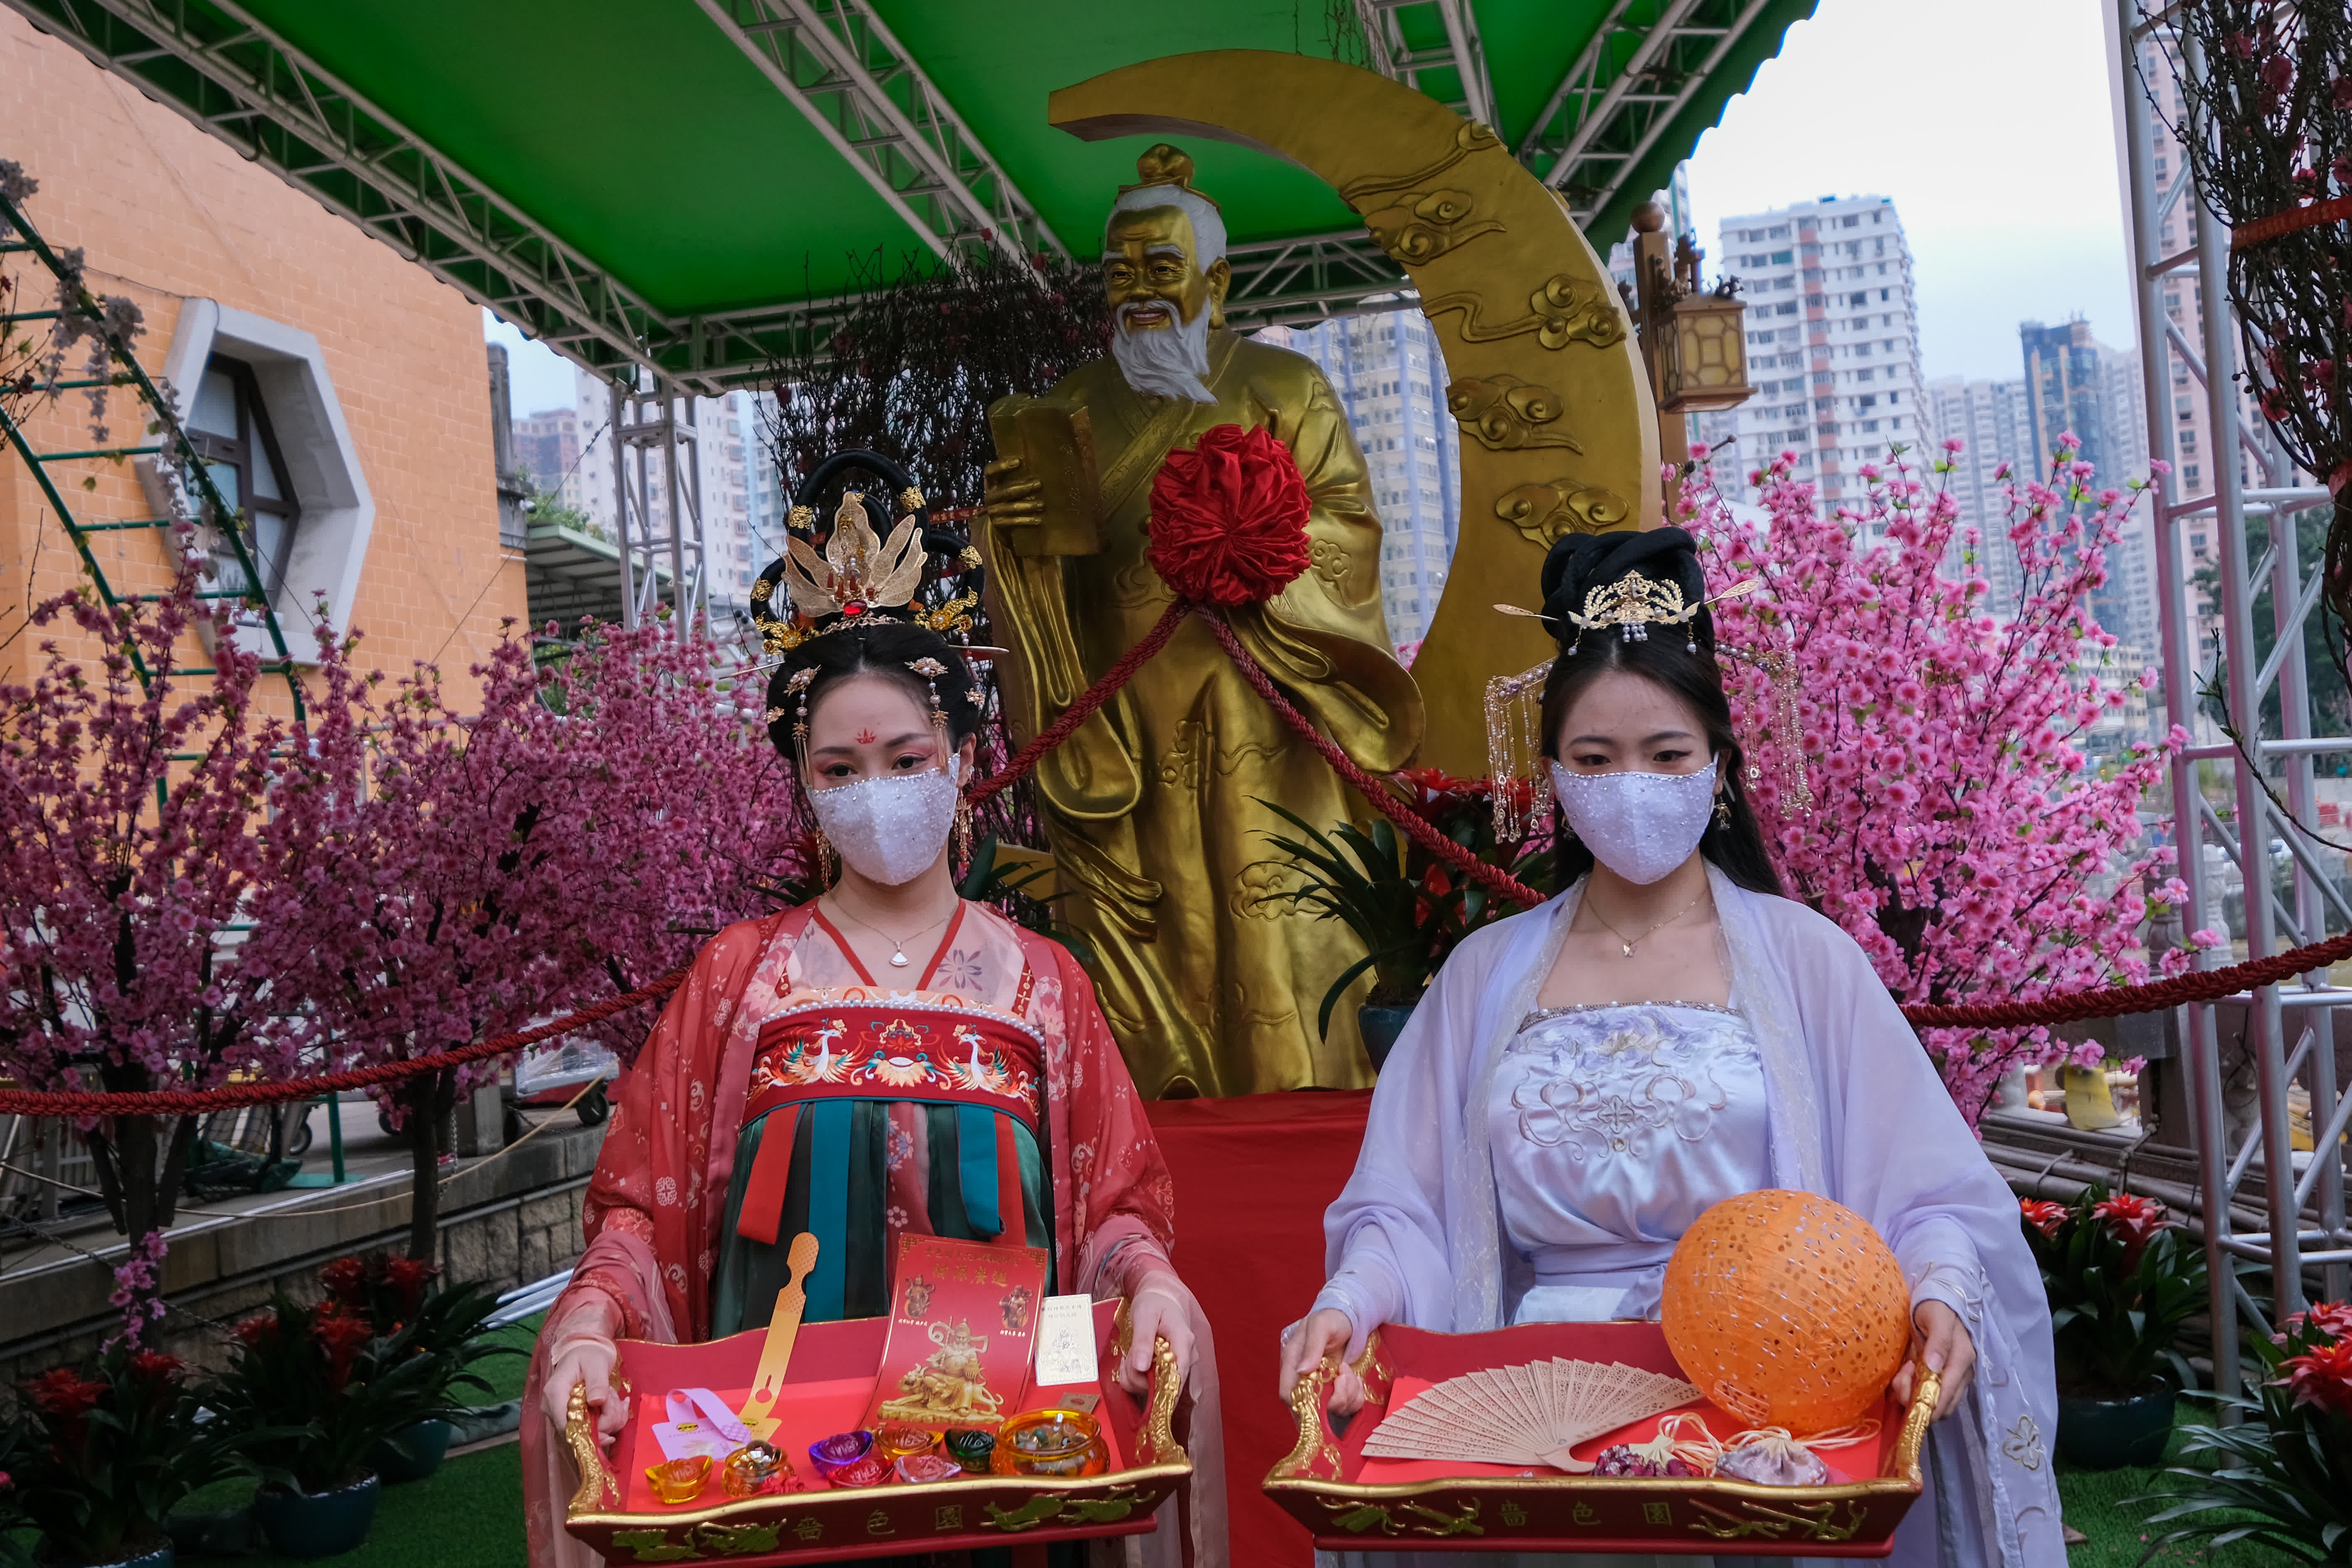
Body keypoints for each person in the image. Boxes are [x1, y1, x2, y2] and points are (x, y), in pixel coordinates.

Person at [1276, 528, 2064, 1568]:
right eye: (1594, 760)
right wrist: (1351, 1298)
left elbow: (1923, 1192)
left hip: (1755, 1401)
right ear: (1551, 773)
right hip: (1540, 1407)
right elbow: (1406, 1206)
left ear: (1718, 767)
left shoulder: (1805, 963)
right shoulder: (1481, 977)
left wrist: (1935, 1287)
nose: (1630, 786)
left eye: (1665, 755)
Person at [522, 460, 1224, 1568]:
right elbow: (642, 1216)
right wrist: (596, 1317)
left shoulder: (1042, 983)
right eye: (840, 768)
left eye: (906, 759)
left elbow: (1115, 1212)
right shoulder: (743, 977)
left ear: (964, 759)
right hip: (779, 1471)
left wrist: (1149, 1282)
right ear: (802, 785)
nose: (876, 791)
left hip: (1003, 1474)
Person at [981, 142, 1422, 1099]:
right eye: (1119, 273)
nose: (1137, 292)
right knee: (1161, 936)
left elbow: (1347, 527)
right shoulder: (1071, 410)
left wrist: (1253, 542)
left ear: (1216, 281)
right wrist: (1012, 538)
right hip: (1123, 731)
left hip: (1267, 716)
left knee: (1279, 924)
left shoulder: (1285, 388)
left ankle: (1308, 1109)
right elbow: (1038, 574)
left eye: (1162, 269)